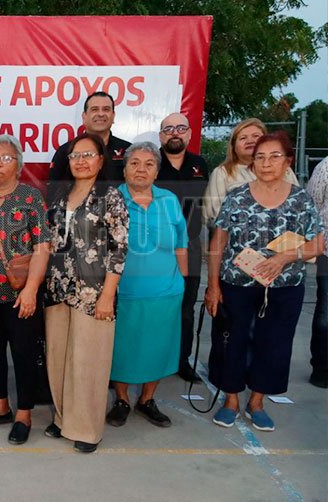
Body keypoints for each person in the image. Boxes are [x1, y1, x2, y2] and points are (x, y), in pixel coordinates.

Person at [205, 132, 324, 431]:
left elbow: (317, 245)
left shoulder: (301, 200)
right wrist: (213, 286)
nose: (266, 163)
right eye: (260, 157)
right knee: (231, 341)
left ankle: (257, 401)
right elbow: (218, 243)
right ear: (252, 162)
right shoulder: (237, 196)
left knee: (274, 345)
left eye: (274, 156)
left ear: (288, 162)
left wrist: (285, 258)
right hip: (236, 285)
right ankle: (231, 400)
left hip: (284, 288)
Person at [44, 132, 128, 453]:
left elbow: (119, 248)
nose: (80, 161)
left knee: (88, 361)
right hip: (57, 289)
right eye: (75, 156)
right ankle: (63, 418)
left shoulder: (111, 196)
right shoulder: (60, 194)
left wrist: (108, 295)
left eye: (88, 155)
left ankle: (87, 429)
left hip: (94, 293)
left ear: (101, 160)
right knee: (58, 358)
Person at [0, 135, 50, 445]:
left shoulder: (31, 197)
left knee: (24, 354)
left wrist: (31, 289)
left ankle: (24, 414)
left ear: (19, 165)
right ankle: (1, 407)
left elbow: (42, 247)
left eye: (5, 158)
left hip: (20, 295)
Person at [107, 142, 187, 429]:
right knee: (122, 350)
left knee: (158, 348)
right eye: (135, 163)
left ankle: (147, 399)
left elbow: (181, 244)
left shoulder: (169, 200)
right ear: (125, 169)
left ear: (157, 171)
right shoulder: (111, 199)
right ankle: (121, 400)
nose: (141, 169)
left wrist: (184, 284)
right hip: (123, 293)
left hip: (166, 292)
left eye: (149, 164)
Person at [155, 112, 209, 383]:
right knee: (155, 307)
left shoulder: (200, 165)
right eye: (168, 129)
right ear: (160, 136)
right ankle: (152, 359)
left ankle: (181, 361)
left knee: (185, 309)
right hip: (155, 249)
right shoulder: (152, 164)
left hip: (190, 246)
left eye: (180, 128)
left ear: (189, 133)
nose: (174, 133)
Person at [203, 118, 299, 229]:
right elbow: (213, 214)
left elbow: (298, 206)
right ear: (233, 147)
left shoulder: (285, 170)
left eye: (256, 136)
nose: (250, 141)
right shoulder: (223, 172)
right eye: (243, 138)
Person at [47, 92, 132, 201]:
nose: (100, 114)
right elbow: (53, 192)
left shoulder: (128, 151)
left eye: (106, 109)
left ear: (113, 115)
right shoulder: (66, 151)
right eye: (94, 109)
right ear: (84, 116)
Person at [306, 157, 328, 388]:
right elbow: (312, 203)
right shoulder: (326, 167)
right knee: (325, 313)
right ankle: (322, 369)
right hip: (327, 252)